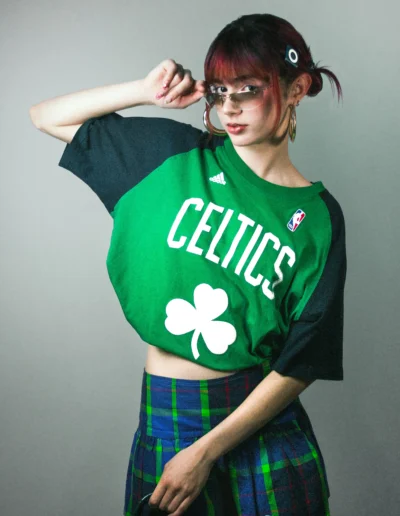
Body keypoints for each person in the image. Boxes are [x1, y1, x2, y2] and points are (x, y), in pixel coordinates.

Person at [30, 12, 347, 516]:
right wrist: (144, 91)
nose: (229, 108)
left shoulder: (318, 218)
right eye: (220, 92)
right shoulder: (173, 157)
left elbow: (303, 359)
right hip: (167, 421)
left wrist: (206, 452)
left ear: (296, 88)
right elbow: (46, 116)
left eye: (248, 89)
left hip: (261, 431)